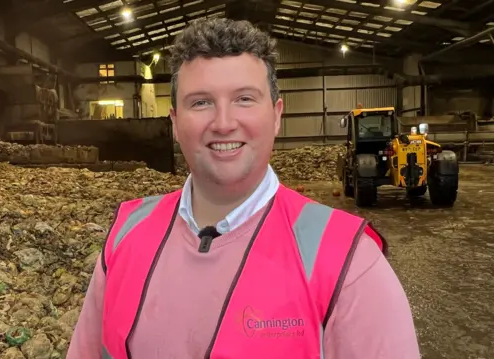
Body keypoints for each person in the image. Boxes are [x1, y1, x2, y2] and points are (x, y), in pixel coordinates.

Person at [66, 18, 420, 359]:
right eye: (201, 102)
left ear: (277, 114)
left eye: (244, 99)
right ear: (174, 122)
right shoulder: (126, 235)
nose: (223, 123)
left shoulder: (347, 261)